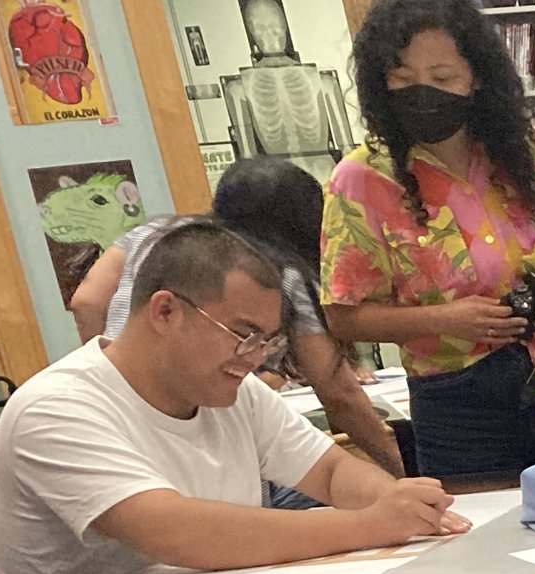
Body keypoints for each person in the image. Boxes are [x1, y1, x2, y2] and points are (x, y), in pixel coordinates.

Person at [0, 221, 465, 574]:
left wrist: (402, 503)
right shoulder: (55, 408)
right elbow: (175, 534)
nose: (255, 356)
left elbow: (332, 470)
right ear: (165, 311)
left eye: (266, 339)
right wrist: (370, 525)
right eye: (242, 333)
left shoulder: (229, 392)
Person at [320, 0, 535, 478]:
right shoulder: (362, 180)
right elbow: (343, 316)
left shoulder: (534, 154)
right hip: (458, 409)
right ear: (379, 82)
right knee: (488, 547)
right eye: (402, 77)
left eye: (442, 76)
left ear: (476, 78)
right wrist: (445, 319)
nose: (422, 92)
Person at [71, 157, 404, 475]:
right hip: (197, 436)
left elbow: (86, 301)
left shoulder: (157, 233)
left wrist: (111, 368)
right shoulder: (278, 271)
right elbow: (337, 393)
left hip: (115, 416)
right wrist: (403, 470)